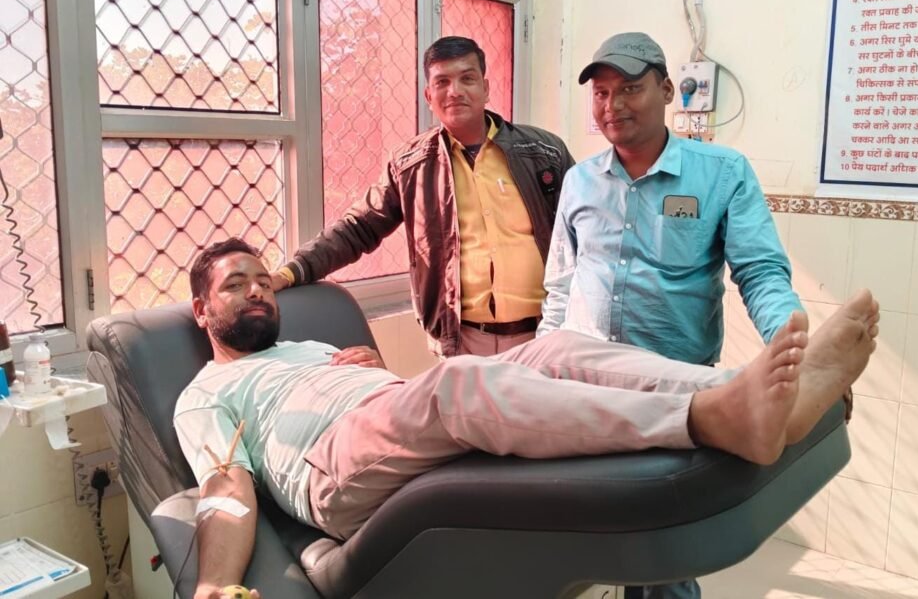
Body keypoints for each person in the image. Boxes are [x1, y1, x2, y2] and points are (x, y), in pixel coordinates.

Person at [175, 239, 879, 599]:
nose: (259, 290)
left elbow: (393, 403)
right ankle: (706, 417)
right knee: (459, 384)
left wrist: (365, 373)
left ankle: (755, 396)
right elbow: (226, 485)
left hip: (385, 424)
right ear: (202, 310)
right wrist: (213, 584)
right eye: (237, 285)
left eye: (264, 280)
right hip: (330, 469)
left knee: (555, 346)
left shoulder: (308, 347)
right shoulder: (206, 391)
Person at [537, 32, 807, 599]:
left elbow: (759, 272)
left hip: (675, 389)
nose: (613, 105)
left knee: (665, 543)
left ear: (666, 90)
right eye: (601, 93)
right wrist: (541, 359)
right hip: (588, 384)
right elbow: (560, 284)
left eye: (629, 89)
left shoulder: (722, 173)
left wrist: (790, 347)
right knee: (587, 526)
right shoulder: (580, 181)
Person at [272, 36, 575, 357]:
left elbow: (585, 230)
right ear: (429, 96)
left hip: (544, 334)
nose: (454, 91)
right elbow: (358, 228)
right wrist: (293, 271)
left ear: (486, 88)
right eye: (442, 82)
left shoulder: (543, 152)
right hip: (462, 342)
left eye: (467, 78)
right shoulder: (410, 165)